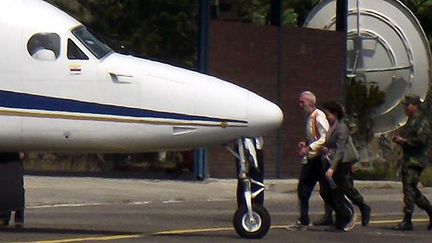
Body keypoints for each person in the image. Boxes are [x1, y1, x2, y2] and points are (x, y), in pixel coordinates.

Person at [320, 101, 372, 231]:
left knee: (340, 191)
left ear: (335, 114)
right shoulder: (332, 126)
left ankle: (344, 218)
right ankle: (347, 214)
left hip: (342, 163)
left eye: (328, 114)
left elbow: (340, 149)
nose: (326, 117)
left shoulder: (342, 127)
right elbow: (331, 144)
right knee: (327, 192)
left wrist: (332, 168)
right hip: (335, 161)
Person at [287, 91, 329, 230]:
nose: (300, 105)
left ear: (311, 103)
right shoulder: (310, 118)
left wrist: (308, 148)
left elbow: (324, 138)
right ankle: (304, 220)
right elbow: (314, 137)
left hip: (320, 159)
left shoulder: (318, 116)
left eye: (302, 102)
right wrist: (305, 144)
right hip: (312, 158)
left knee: (326, 190)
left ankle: (340, 214)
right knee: (303, 189)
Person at [392, 95, 432, 231]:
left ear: (415, 105)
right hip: (409, 159)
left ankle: (407, 220)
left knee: (409, 189)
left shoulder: (421, 121)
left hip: (416, 160)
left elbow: (421, 140)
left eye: (407, 105)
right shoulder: (411, 121)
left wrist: (404, 141)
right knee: (411, 190)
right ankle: (430, 212)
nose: (405, 108)